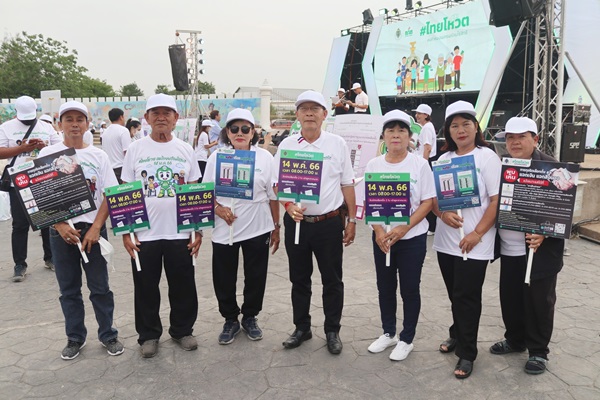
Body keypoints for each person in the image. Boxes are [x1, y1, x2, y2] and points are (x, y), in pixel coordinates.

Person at [38, 101, 124, 360]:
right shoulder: (48, 155)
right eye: (69, 119)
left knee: (100, 288)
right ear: (59, 124)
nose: (74, 124)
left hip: (92, 231)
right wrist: (59, 224)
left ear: (88, 124)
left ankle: (108, 334)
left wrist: (96, 227)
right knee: (69, 290)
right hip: (62, 232)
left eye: (79, 119)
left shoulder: (99, 156)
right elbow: (40, 196)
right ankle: (75, 337)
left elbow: (109, 194)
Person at [274, 90, 356, 355]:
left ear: (325, 114)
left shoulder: (337, 144)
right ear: (297, 115)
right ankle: (302, 328)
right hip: (297, 224)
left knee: (332, 279)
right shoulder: (287, 145)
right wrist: (288, 206)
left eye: (315, 109)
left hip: (328, 223)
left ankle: (332, 330)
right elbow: (276, 184)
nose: (309, 113)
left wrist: (352, 220)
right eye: (304, 109)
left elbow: (347, 184)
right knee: (299, 279)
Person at [121, 94, 202, 358]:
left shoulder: (185, 149)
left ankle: (182, 330)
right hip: (144, 234)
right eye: (155, 113)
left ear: (176, 118)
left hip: (180, 232)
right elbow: (126, 191)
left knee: (183, 285)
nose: (161, 117)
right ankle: (148, 335)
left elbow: (193, 190)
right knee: (145, 287)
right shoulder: (135, 149)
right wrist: (126, 232)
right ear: (146, 118)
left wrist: (197, 230)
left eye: (167, 112)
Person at [490, 117, 565, 375]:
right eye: (510, 138)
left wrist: (545, 233)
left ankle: (538, 351)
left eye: (521, 137)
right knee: (510, 298)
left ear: (535, 139)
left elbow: (563, 210)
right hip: (509, 249)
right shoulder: (502, 166)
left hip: (538, 252)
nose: (515, 142)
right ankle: (515, 339)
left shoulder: (553, 168)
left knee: (539, 302)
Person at [432, 100, 501, 379]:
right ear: (448, 131)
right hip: (447, 240)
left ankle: (467, 352)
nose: (460, 130)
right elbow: (433, 198)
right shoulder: (443, 159)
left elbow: (496, 200)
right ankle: (457, 333)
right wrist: (442, 213)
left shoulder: (487, 157)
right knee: (454, 294)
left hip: (475, 242)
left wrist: (477, 233)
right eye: (454, 126)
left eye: (466, 124)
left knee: (467, 297)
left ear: (476, 127)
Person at [203, 108, 280, 345]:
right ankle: (230, 319)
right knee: (223, 276)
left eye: (245, 129)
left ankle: (250, 316)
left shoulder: (265, 157)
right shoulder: (217, 157)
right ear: (227, 132)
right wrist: (218, 208)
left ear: (253, 132)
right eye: (234, 128)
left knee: (256, 275)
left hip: (257, 225)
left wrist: (276, 227)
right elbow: (205, 192)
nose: (240, 133)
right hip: (225, 226)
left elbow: (273, 195)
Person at [365, 110, 435, 361]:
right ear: (383, 136)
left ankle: (406, 338)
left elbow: (428, 201)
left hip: (411, 238)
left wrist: (404, 227)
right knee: (385, 287)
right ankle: (389, 332)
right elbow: (370, 203)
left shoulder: (420, 164)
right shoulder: (374, 165)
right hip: (383, 239)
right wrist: (378, 231)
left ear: (409, 136)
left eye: (401, 130)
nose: (396, 135)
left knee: (409, 289)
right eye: (391, 131)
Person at [0, 96, 61, 281]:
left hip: (42, 180)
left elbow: (59, 149)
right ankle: (20, 264)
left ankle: (50, 258)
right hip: (18, 182)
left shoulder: (46, 127)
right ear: (16, 112)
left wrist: (44, 147)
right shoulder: (6, 127)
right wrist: (21, 148)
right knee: (19, 225)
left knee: (47, 221)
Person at [412, 104, 438, 235]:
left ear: (426, 115)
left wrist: (423, 165)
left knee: (427, 194)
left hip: (426, 163)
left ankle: (432, 226)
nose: (417, 116)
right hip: (423, 162)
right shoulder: (425, 128)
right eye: (416, 113)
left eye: (419, 113)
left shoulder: (427, 128)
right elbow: (419, 147)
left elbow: (427, 148)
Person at [101, 108, 131, 183]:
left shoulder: (105, 132)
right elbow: (127, 153)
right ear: (121, 117)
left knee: (113, 190)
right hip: (121, 169)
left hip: (109, 170)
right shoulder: (123, 130)